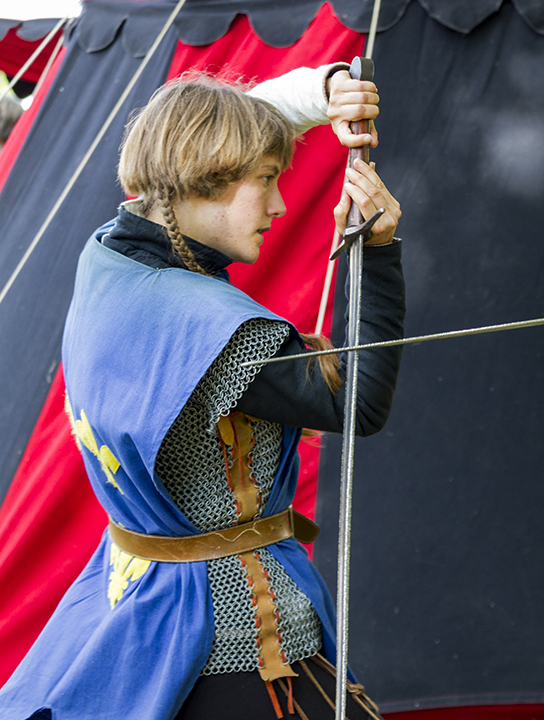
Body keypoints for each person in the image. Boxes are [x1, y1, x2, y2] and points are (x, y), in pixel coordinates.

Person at [0, 64, 404, 720]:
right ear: (202, 175)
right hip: (230, 628)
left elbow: (207, 130)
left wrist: (321, 92)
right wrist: (377, 252)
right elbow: (357, 401)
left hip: (138, 595)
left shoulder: (112, 256)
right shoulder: (202, 326)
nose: (279, 205)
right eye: (266, 179)